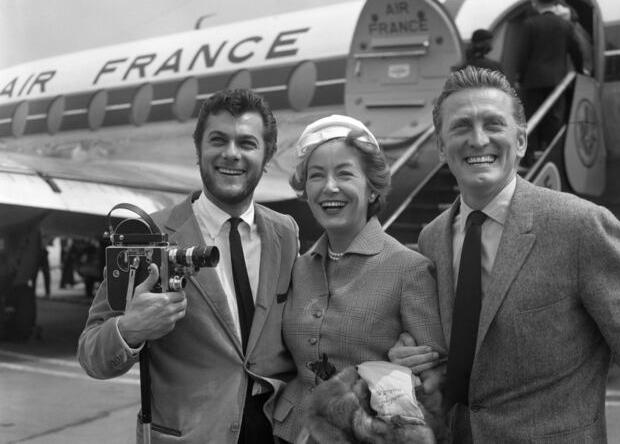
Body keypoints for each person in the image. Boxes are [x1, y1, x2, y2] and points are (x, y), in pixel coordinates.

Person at [389, 67, 620, 443]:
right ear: (442, 148)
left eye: (493, 124)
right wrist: (409, 357)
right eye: (461, 127)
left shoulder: (580, 227)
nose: (478, 139)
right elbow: (463, 356)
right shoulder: (432, 238)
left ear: (522, 140)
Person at [78, 89, 298, 443]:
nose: (231, 153)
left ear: (267, 156)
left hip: (274, 432)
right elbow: (92, 355)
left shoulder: (285, 232)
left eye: (247, 143)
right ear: (198, 152)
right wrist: (130, 329)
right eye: (218, 140)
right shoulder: (147, 235)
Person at [272, 115, 446, 443]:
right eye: (316, 176)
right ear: (305, 190)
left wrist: (397, 375)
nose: (329, 187)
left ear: (371, 188)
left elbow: (437, 387)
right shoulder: (299, 268)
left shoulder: (410, 270)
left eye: (345, 174)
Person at [516, 0, 583, 164]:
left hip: (532, 81)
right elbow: (576, 51)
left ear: (535, 3)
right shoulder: (565, 25)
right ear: (554, 3)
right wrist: (581, 71)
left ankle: (528, 156)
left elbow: (523, 55)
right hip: (557, 82)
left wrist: (520, 77)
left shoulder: (529, 24)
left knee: (530, 118)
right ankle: (554, 155)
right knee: (554, 118)